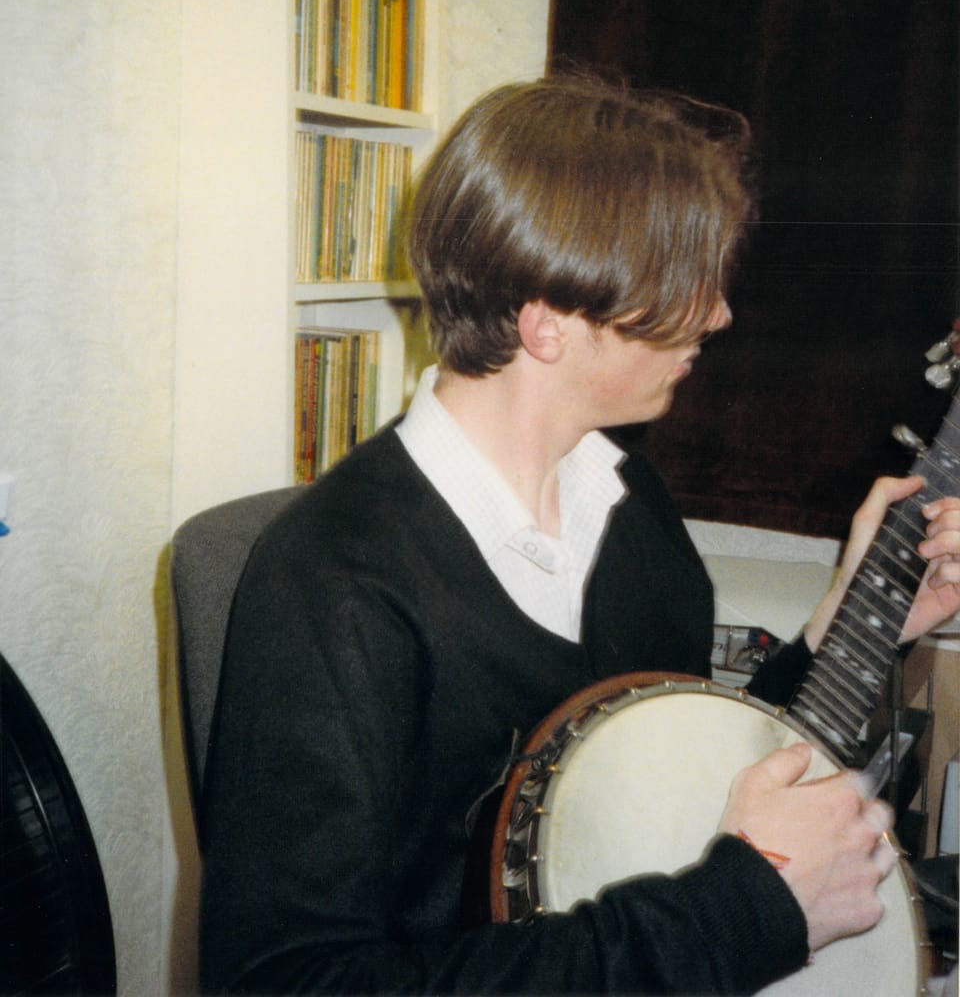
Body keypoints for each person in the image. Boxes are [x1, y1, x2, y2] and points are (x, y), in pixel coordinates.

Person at [199, 76, 960, 994]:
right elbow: (294, 982)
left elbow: (662, 786)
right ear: (550, 325)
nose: (717, 315)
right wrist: (742, 912)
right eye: (683, 285)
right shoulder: (330, 584)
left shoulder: (625, 501)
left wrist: (847, 629)